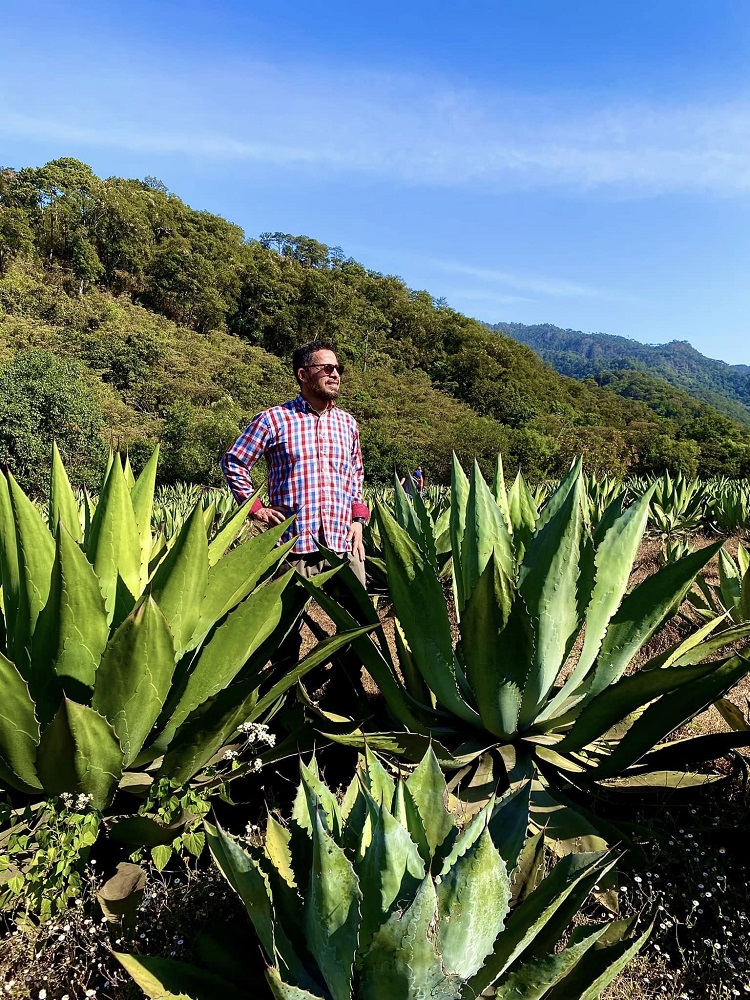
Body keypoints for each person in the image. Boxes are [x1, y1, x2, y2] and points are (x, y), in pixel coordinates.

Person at [221, 340, 369, 588]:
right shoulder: (273, 420)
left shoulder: (348, 423)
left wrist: (358, 521)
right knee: (286, 625)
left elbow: (355, 474)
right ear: (303, 374)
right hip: (292, 546)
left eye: (338, 369)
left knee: (359, 623)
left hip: (343, 543)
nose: (335, 374)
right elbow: (234, 461)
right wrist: (256, 508)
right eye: (327, 368)